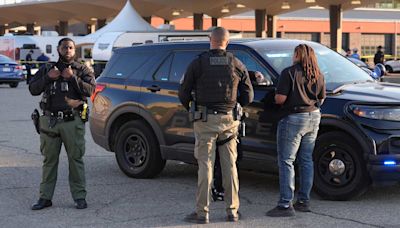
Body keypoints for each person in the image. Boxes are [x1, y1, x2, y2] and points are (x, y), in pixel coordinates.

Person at [179, 27, 253, 224]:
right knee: (230, 167)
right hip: (229, 121)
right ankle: (232, 211)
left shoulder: (198, 63)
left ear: (210, 40)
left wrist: (192, 107)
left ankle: (202, 213)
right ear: (227, 42)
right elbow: (249, 95)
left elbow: (183, 93)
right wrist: (236, 107)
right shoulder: (236, 63)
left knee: (205, 166)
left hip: (204, 121)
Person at [29, 38, 96, 210]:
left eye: (71, 47)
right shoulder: (48, 68)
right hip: (50, 121)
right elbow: (33, 89)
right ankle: (45, 198)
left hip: (72, 121)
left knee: (76, 160)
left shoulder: (82, 69)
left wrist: (72, 78)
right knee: (49, 161)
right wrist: (48, 78)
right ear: (58, 49)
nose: (68, 50)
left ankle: (80, 197)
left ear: (75, 51)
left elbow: (91, 90)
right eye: (64, 47)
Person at [266, 44, 326, 217]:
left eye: (294, 53)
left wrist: (275, 96)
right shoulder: (318, 74)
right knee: (306, 160)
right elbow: (322, 97)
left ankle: (285, 204)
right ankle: (303, 201)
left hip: (293, 118)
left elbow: (280, 98)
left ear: (297, 55)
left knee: (286, 161)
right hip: (314, 116)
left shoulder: (289, 73)